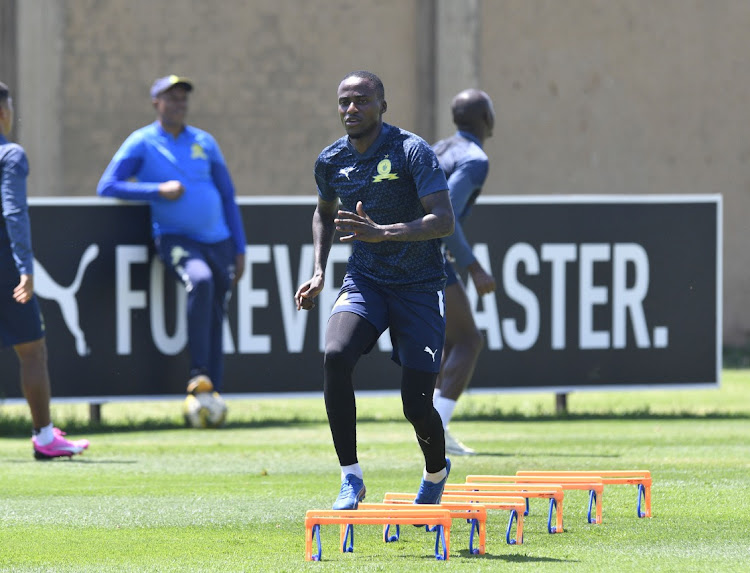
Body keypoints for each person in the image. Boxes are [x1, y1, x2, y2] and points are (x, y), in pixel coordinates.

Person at [295, 71, 455, 510]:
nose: (351, 109)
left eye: (362, 101)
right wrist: (319, 271)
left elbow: (443, 219)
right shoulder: (330, 160)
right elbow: (324, 213)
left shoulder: (411, 151)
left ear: (382, 106)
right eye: (344, 101)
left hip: (420, 287)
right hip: (365, 281)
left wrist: (383, 232)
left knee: (417, 407)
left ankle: (435, 472)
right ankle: (351, 477)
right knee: (335, 355)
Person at [97, 75, 246, 397]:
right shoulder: (143, 142)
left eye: (183, 98)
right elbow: (107, 185)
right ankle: (198, 373)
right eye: (171, 97)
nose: (179, 103)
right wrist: (157, 191)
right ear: (156, 103)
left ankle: (211, 396)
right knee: (201, 281)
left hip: (219, 240)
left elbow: (227, 194)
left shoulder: (204, 141)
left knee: (217, 313)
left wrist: (240, 246)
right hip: (176, 238)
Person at [0, 81, 90, 459]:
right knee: (32, 352)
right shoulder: (10, 154)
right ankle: (44, 436)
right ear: (4, 111)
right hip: (5, 268)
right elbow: (14, 211)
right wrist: (24, 266)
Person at [431, 89, 496, 455]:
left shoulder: (440, 147)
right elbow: (447, 216)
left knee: (449, 344)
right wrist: (473, 265)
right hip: (428, 251)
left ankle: (433, 425)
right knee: (469, 340)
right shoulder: (475, 159)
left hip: (406, 247)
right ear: (487, 119)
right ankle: (435, 432)